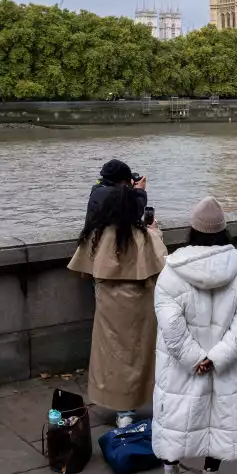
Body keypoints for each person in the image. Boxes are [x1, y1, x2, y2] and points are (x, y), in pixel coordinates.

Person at [151, 196, 237, 474]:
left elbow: (171, 328)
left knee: (172, 419)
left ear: (192, 231)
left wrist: (194, 359)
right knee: (219, 422)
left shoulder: (171, 272)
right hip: (224, 367)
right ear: (224, 231)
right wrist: (216, 359)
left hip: (180, 367)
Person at [68, 159, 167, 428]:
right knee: (140, 352)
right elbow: (162, 262)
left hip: (108, 301)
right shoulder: (142, 236)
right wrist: (152, 228)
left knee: (111, 352)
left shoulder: (98, 236)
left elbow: (84, 267)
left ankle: (120, 407)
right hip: (141, 302)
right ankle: (139, 402)